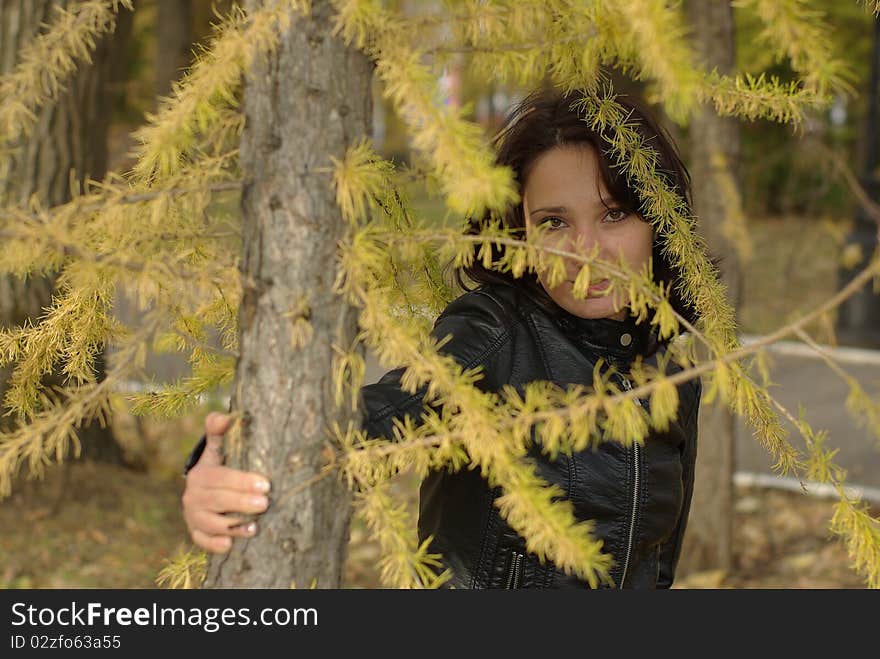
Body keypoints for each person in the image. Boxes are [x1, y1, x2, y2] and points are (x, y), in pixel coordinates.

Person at [181, 87, 704, 589]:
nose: (586, 251)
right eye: (554, 223)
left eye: (613, 214)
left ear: (658, 220)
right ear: (519, 230)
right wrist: (227, 470)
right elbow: (377, 420)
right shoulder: (495, 334)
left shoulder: (673, 369)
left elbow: (655, 566)